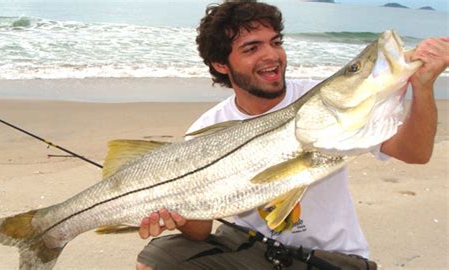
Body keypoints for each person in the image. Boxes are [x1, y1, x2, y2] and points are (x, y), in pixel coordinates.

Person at [136, 1, 449, 269]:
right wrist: (175, 214)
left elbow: (416, 153)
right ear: (221, 64)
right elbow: (201, 231)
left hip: (332, 258)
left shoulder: (326, 103)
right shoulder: (208, 129)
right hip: (250, 249)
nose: (272, 55)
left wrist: (422, 86)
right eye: (252, 48)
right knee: (156, 261)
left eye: (276, 42)